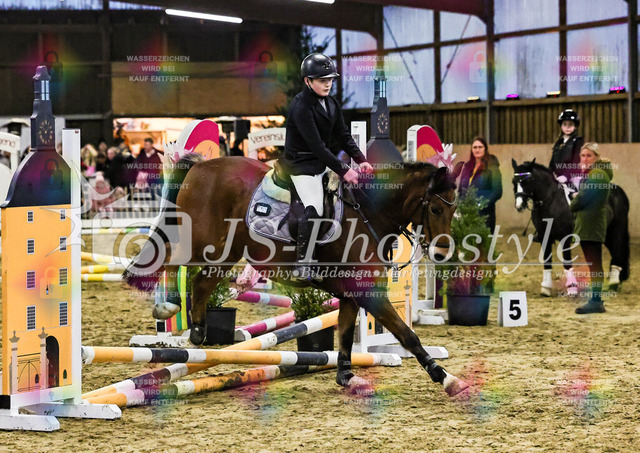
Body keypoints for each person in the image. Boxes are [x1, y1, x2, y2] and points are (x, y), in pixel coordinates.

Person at [278, 53, 373, 280]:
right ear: (308, 81)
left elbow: (343, 135)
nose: (328, 84)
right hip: (300, 166)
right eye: (322, 80)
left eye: (330, 79)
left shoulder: (331, 103)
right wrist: (345, 170)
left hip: (320, 163)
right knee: (315, 207)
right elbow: (318, 147)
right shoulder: (300, 106)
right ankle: (303, 264)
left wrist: (361, 159)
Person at [570, 143, 612, 314]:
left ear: (596, 158)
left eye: (589, 156)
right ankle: (596, 300)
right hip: (589, 225)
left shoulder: (596, 175)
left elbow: (582, 200)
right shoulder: (595, 174)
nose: (585, 159)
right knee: (593, 263)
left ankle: (596, 301)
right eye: (583, 156)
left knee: (594, 264)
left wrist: (573, 200)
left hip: (591, 225)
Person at [458, 136, 503, 232]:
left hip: (484, 216)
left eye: (480, 147)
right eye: (475, 147)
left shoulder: (492, 167)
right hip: (466, 215)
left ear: (485, 149)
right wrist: (460, 206)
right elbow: (461, 190)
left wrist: (480, 205)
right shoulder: (467, 167)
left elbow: (497, 191)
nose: (477, 150)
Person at [550, 109, 583, 189]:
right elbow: (552, 163)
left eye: (570, 124)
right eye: (565, 124)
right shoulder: (558, 142)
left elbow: (576, 162)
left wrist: (566, 176)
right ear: (561, 126)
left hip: (573, 177)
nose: (567, 127)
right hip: (558, 177)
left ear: (575, 126)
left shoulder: (578, 141)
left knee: (577, 190)